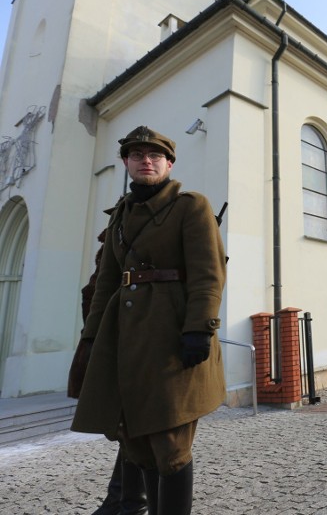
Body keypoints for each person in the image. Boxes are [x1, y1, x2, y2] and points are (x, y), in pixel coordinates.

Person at [71, 126, 227, 515]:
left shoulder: (191, 205)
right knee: (136, 442)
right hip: (124, 340)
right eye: (137, 155)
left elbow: (209, 273)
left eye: (155, 155)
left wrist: (199, 329)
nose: (146, 160)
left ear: (169, 163)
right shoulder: (122, 214)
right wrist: (90, 339)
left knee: (170, 445)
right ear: (125, 163)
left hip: (172, 336)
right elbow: (107, 281)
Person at [70, 228, 147, 515]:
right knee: (128, 427)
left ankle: (125, 503)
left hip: (132, 337)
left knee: (137, 427)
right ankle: (123, 502)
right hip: (113, 337)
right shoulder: (116, 239)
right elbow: (96, 291)